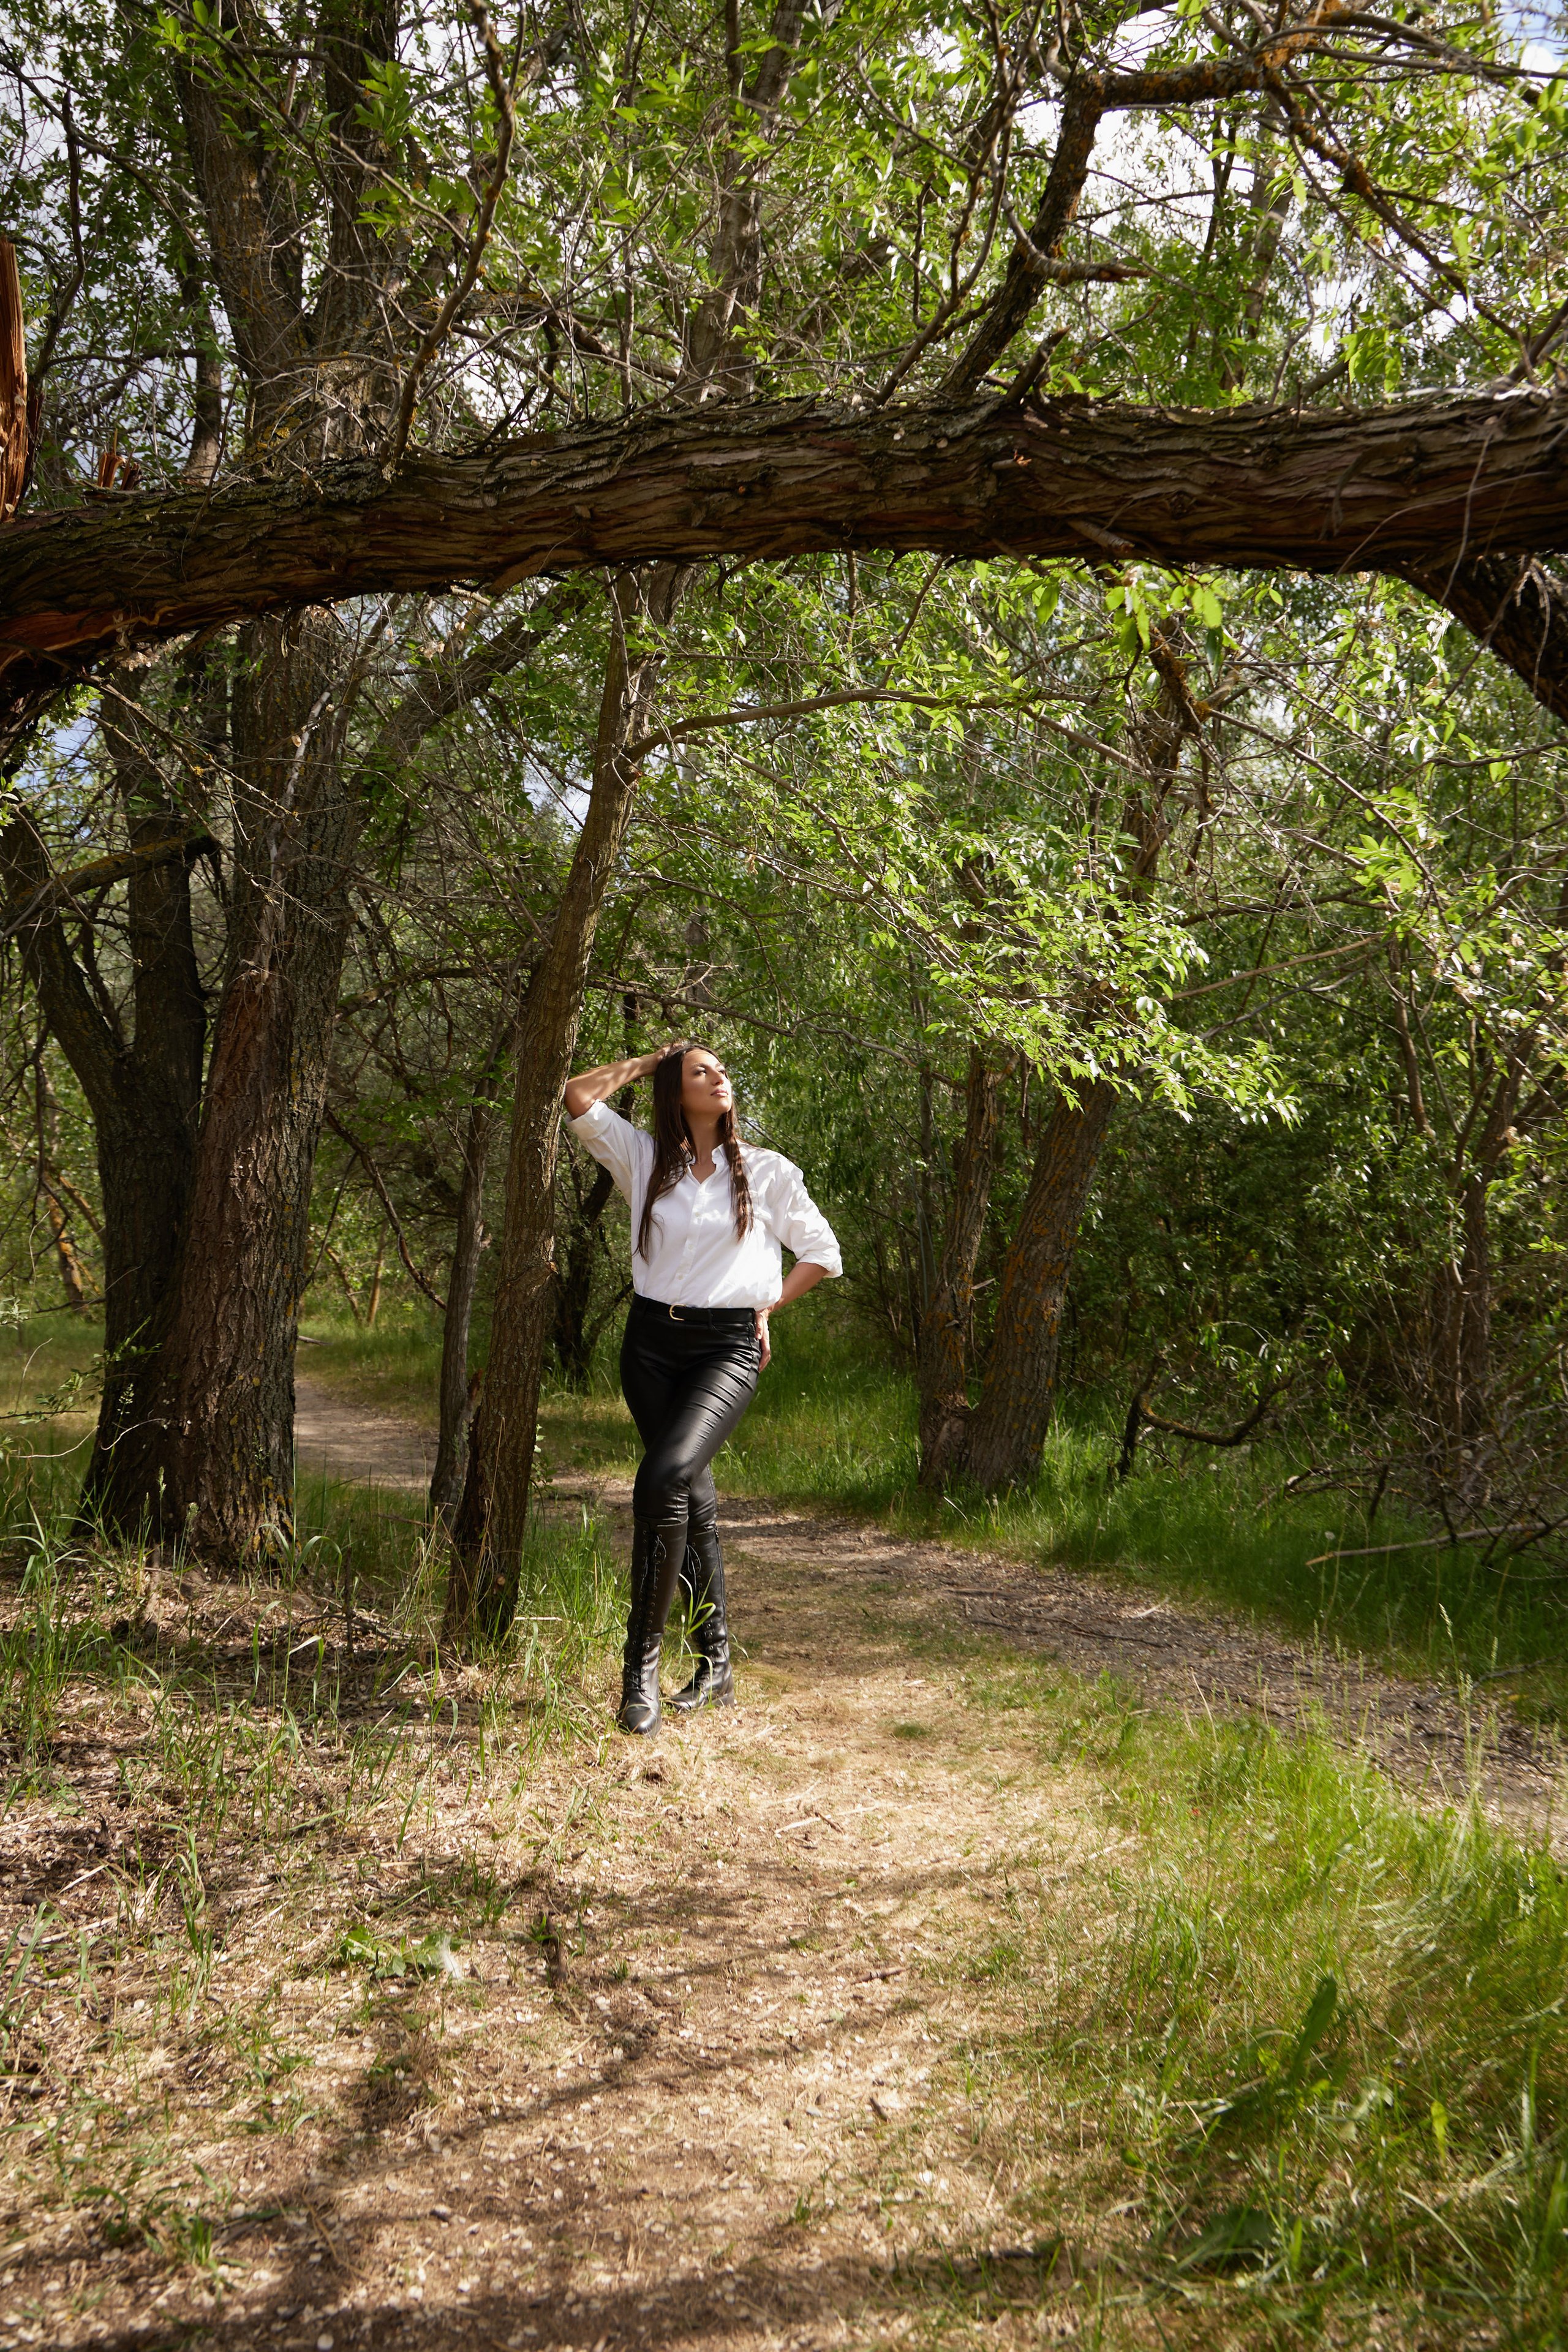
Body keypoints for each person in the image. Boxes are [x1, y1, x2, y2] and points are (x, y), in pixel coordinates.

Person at [562, 1042, 841, 1735]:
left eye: (720, 1070)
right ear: (673, 1090)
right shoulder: (644, 1157)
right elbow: (576, 1095)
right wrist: (651, 1059)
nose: (718, 1078)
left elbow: (822, 1254)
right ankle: (715, 1666)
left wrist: (767, 1309)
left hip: (727, 1349)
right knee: (690, 1497)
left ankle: (640, 1672)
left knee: (663, 1478)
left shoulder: (769, 1173)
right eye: (700, 1071)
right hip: (650, 1345)